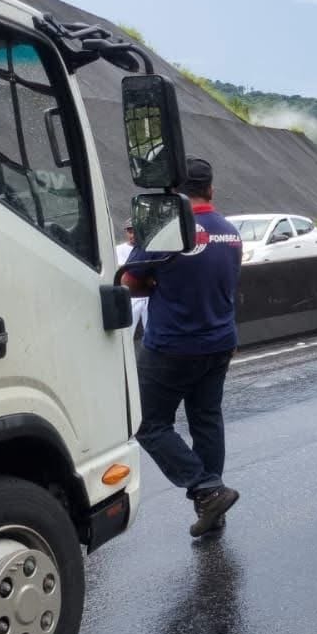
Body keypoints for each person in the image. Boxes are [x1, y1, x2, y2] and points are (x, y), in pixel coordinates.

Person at [122, 157, 244, 538]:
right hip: (220, 341)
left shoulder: (167, 225)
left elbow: (130, 281)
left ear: (175, 190)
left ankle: (207, 490)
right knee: (206, 419)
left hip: (172, 345)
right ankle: (214, 507)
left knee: (146, 422)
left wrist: (156, 283)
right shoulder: (229, 231)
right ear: (210, 189)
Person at [114, 220, 150, 337]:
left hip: (148, 295)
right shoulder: (118, 249)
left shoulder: (149, 248)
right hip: (129, 295)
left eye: (135, 231)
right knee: (126, 333)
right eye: (130, 231)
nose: (132, 235)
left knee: (150, 332)